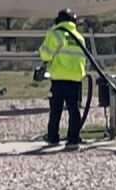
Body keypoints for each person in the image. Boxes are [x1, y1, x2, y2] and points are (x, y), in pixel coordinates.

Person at [38, 9, 88, 148]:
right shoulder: (79, 37)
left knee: (56, 109)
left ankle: (53, 137)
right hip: (76, 78)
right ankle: (73, 138)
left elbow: (46, 55)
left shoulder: (55, 34)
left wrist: (42, 53)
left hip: (59, 77)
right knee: (74, 109)